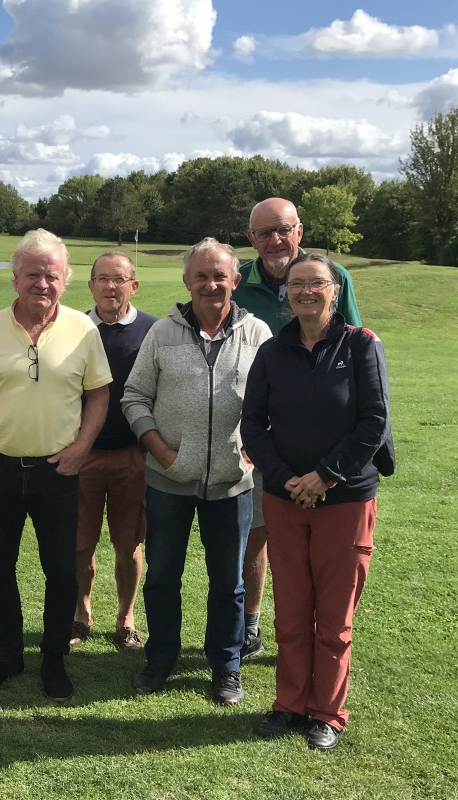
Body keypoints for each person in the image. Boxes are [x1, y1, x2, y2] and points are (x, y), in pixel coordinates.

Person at [0, 229, 111, 700]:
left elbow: (99, 395)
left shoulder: (84, 330)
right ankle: (8, 655)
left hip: (57, 472)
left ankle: (55, 659)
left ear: (65, 281)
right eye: (33, 274)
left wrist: (82, 446)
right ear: (15, 277)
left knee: (61, 570)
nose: (43, 283)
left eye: (52, 275)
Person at [242, 252, 388, 751]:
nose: (306, 291)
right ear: (286, 293)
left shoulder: (361, 346)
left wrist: (324, 476)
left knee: (334, 615)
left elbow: (374, 422)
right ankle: (289, 703)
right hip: (285, 499)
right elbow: (253, 424)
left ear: (334, 289)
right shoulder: (272, 351)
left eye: (316, 283)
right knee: (291, 609)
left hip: (344, 498)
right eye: (297, 284)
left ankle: (327, 712)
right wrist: (287, 480)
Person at [122, 237, 271, 705]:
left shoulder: (257, 334)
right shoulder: (162, 333)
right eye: (201, 276)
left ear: (235, 280)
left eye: (219, 276)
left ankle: (226, 664)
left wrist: (254, 450)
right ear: (187, 282)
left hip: (232, 485)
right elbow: (135, 397)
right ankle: (161, 657)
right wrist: (161, 451)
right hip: (168, 481)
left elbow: (274, 403)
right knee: (163, 574)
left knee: (229, 581)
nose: (211, 284)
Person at [233, 197, 363, 661]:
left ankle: (317, 633)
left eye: (282, 229)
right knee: (257, 537)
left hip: (321, 442)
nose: (274, 240)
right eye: (264, 232)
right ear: (251, 239)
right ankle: (251, 625)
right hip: (256, 436)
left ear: (299, 231)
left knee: (320, 548)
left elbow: (353, 354)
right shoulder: (236, 281)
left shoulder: (332, 276)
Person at [71, 252, 157, 651]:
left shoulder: (152, 331)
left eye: (119, 279)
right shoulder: (70, 328)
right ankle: (80, 612)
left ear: (133, 286)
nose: (110, 286)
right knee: (80, 542)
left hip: (131, 457)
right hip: (81, 455)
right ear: (90, 286)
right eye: (102, 279)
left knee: (129, 544)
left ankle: (126, 618)